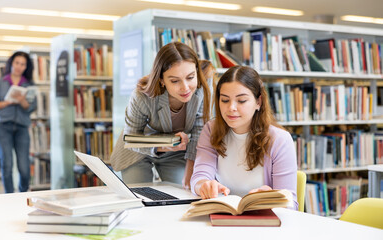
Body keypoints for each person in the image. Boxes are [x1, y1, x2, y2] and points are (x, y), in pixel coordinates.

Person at [190, 65, 298, 210]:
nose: (231, 108)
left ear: (258, 102)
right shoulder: (211, 130)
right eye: (225, 100)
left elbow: (291, 205)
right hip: (221, 217)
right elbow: (199, 176)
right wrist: (203, 185)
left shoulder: (280, 140)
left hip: (263, 223)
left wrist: (273, 198)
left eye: (241, 101)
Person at [110, 42, 211, 189]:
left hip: (176, 153)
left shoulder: (203, 88)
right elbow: (131, 138)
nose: (185, 87)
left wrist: (191, 172)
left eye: (190, 77)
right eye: (175, 81)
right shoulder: (142, 95)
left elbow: (198, 132)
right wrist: (162, 147)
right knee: (141, 197)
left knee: (181, 194)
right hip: (137, 152)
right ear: (162, 80)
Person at [0, 51, 37, 193]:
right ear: (11, 63)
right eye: (17, 63)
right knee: (7, 164)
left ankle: (22, 194)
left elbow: (33, 107)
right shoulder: (1, 82)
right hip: (3, 128)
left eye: (23, 64)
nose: (19, 66)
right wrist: (5, 103)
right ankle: (9, 197)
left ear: (26, 67)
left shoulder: (28, 85)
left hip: (22, 128)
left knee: (24, 167)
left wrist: (23, 102)